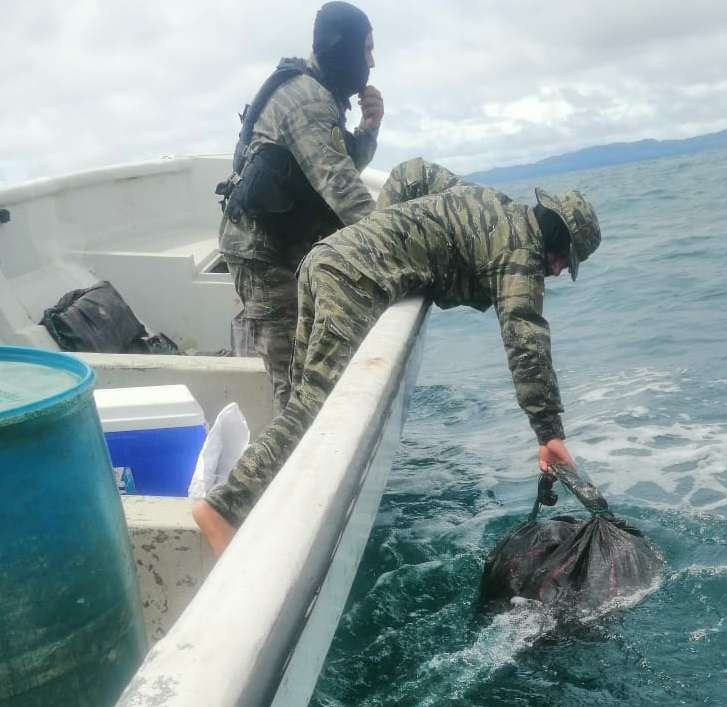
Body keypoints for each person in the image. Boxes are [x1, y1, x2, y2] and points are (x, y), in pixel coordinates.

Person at [194, 160, 602, 555]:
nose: (562, 270)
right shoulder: (520, 252)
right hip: (352, 280)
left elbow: (413, 173)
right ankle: (223, 506)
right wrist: (548, 432)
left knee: (299, 398)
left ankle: (271, 503)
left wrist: (377, 234)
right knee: (314, 409)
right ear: (556, 240)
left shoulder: (489, 202)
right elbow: (524, 338)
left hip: (325, 258)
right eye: (567, 259)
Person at [216, 1, 384, 415]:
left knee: (308, 362)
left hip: (285, 245)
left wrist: (369, 128)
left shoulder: (319, 95)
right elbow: (342, 187)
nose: (372, 63)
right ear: (344, 49)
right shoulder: (307, 100)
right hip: (264, 255)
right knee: (293, 379)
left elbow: (331, 166)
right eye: (367, 49)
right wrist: (397, 246)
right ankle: (288, 467)